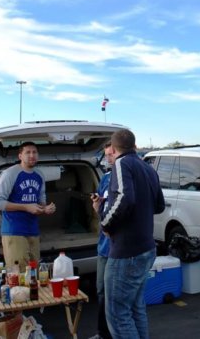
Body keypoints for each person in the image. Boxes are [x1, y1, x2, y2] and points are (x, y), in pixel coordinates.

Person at [101, 129, 165, 339]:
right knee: (136, 308)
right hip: (146, 247)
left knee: (118, 314)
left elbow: (125, 198)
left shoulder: (122, 163)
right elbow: (159, 205)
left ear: (114, 147)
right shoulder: (148, 168)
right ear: (134, 144)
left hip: (126, 251)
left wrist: (106, 223)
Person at [0, 142, 56, 271]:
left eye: (34, 152)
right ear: (20, 156)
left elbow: (40, 202)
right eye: (28, 152)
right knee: (19, 276)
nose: (32, 155)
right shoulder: (10, 174)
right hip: (14, 231)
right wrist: (26, 207)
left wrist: (45, 208)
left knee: (34, 275)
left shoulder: (39, 175)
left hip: (33, 231)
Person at [89, 142, 115, 339]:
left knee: (115, 295)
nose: (109, 158)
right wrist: (97, 202)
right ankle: (102, 332)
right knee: (101, 291)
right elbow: (101, 205)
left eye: (111, 154)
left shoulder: (126, 180)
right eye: (106, 155)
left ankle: (114, 333)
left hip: (119, 248)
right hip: (103, 247)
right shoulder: (106, 178)